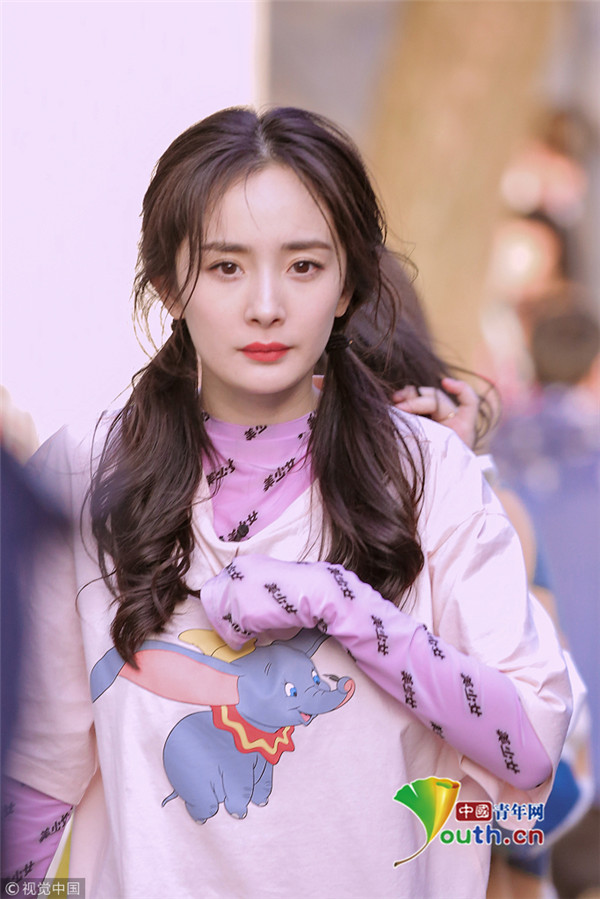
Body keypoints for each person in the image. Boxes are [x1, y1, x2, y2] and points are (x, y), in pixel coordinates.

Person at [2, 107, 572, 899]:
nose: (265, 304)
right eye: (225, 267)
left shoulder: (428, 475)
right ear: (167, 283)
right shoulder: (88, 473)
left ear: (348, 285)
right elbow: (35, 780)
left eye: (304, 265)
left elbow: (532, 751)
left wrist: (344, 605)